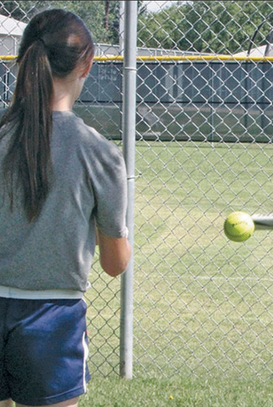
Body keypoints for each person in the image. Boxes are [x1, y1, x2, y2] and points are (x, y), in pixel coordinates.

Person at [0, 9, 131, 407]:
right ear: (87, 64)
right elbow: (115, 262)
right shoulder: (98, 153)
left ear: (23, 60)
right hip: (51, 319)